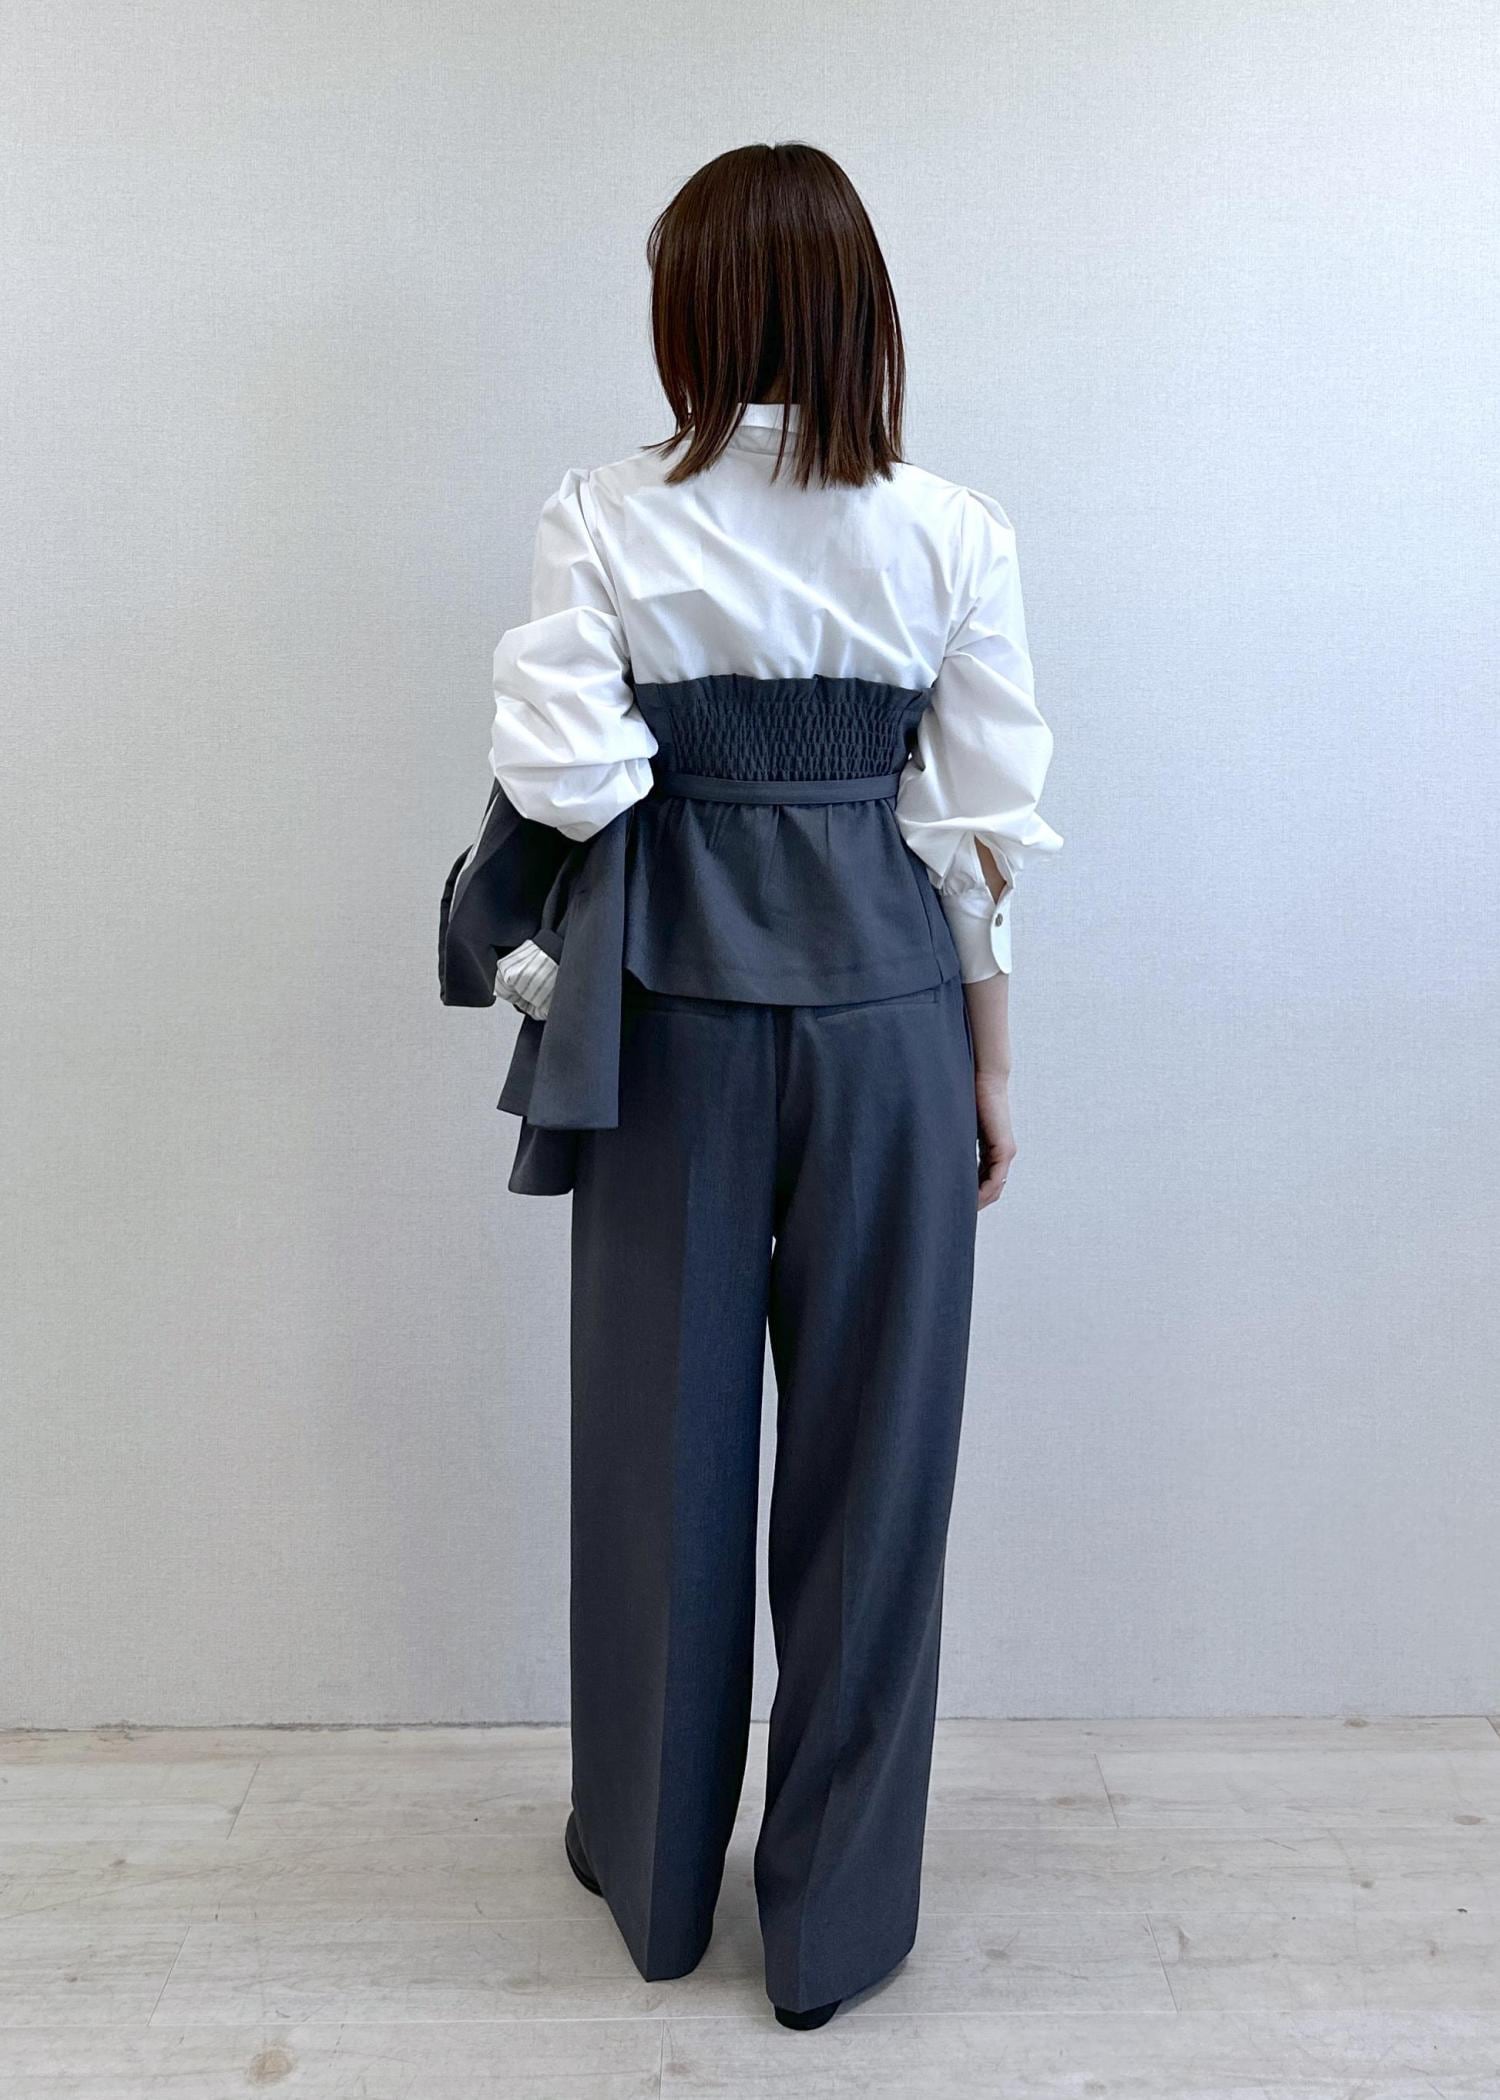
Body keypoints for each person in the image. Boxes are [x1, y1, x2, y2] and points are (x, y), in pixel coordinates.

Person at [472, 140, 1061, 2028]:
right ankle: (834, 1924)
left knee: (658, 1451)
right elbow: (971, 830)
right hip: (891, 1020)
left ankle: (655, 1878)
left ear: (695, 315)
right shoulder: (954, 530)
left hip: (673, 1023)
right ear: (861, 309)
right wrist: (988, 1065)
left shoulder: (603, 515)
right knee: (878, 1475)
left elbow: (567, 783)